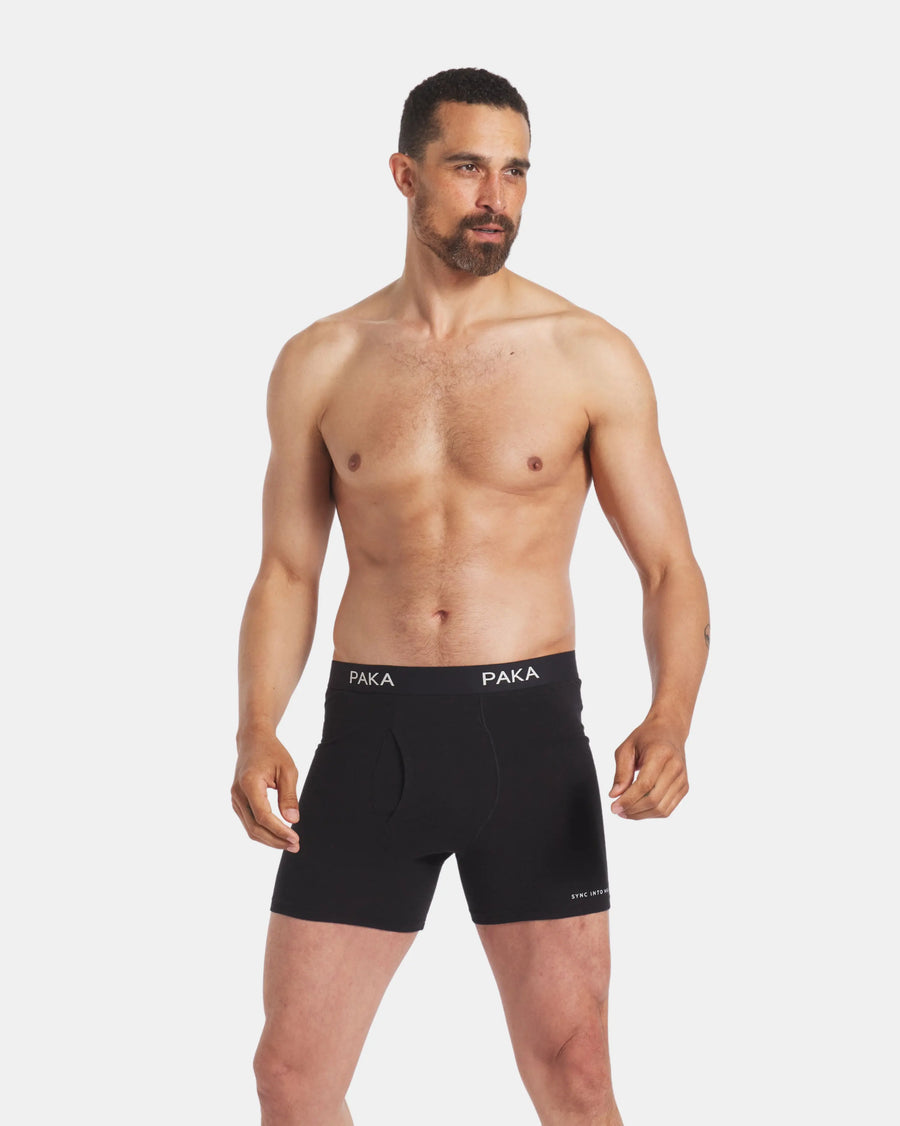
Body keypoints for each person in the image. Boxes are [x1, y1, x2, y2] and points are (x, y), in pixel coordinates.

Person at [231, 67, 709, 1126]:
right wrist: (258, 724)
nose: (496, 197)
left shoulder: (587, 353)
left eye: (515, 171)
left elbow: (670, 567)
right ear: (405, 176)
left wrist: (671, 716)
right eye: (467, 168)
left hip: (525, 738)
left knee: (575, 1077)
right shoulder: (321, 360)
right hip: (371, 738)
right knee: (292, 1079)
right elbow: (288, 570)